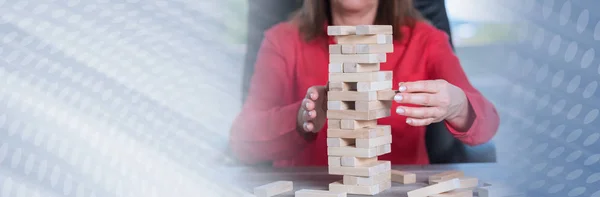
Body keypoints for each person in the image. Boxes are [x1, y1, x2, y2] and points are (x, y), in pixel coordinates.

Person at [229, 0, 500, 167]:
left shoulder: (427, 40)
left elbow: (487, 124)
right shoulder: (283, 41)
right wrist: (302, 119)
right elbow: (242, 141)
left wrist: (458, 106)